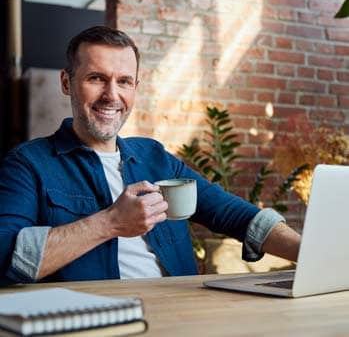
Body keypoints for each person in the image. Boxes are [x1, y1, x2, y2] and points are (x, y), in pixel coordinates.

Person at [0, 26, 300, 285]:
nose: (111, 95)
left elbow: (235, 215)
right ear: (67, 83)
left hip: (182, 314)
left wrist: (315, 254)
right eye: (96, 78)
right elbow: (4, 257)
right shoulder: (28, 163)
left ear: (135, 87)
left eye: (124, 81)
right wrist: (111, 223)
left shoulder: (154, 156)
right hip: (97, 322)